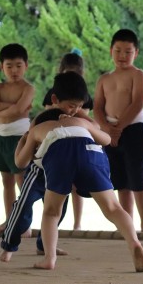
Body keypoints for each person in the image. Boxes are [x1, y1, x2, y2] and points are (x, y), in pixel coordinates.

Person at [14, 107, 143, 271]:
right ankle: (134, 242)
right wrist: (81, 117)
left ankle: (49, 258)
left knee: (51, 211)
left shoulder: (37, 130)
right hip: (91, 152)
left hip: (59, 153)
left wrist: (23, 141)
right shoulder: (79, 122)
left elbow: (20, 163)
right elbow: (106, 139)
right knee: (113, 207)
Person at [0, 71, 96, 262]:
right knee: (22, 208)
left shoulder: (78, 117)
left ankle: (45, 245)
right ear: (55, 99)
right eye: (71, 105)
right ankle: (8, 247)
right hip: (37, 172)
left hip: (62, 172)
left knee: (58, 211)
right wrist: (21, 158)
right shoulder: (43, 118)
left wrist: (82, 120)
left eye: (80, 106)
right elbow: (27, 139)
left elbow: (96, 130)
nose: (75, 110)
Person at [93, 29, 143, 233]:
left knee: (138, 180)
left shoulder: (138, 75)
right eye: (118, 51)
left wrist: (118, 129)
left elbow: (137, 103)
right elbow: (97, 107)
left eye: (128, 51)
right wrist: (108, 129)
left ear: (136, 52)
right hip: (110, 131)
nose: (122, 56)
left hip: (134, 129)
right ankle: (128, 225)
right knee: (120, 182)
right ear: (111, 51)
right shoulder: (104, 79)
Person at [0, 43, 34, 233]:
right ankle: (10, 221)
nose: (14, 70)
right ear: (1, 67)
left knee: (22, 182)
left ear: (26, 66)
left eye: (18, 66)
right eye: (9, 66)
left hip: (19, 138)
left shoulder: (28, 89)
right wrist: (11, 107)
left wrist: (4, 107)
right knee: (7, 182)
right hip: (1, 137)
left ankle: (25, 224)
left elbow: (19, 110)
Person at [43, 50, 94, 230]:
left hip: (76, 143)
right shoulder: (53, 93)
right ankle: (53, 225)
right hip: (55, 143)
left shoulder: (83, 94)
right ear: (61, 72)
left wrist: (72, 108)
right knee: (55, 186)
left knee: (77, 186)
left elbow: (84, 117)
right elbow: (49, 113)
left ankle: (77, 223)